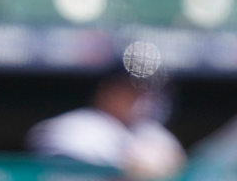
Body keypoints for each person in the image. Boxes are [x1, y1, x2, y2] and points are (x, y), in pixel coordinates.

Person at [27, 72, 187, 180]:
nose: (140, 99)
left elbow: (179, 166)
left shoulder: (153, 132)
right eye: (131, 90)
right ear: (108, 91)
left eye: (144, 91)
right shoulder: (70, 126)